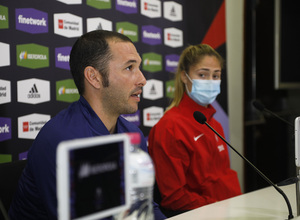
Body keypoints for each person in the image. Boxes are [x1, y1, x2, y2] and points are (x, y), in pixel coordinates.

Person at [9, 30, 166, 220]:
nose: (142, 79)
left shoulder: (133, 134)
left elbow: (143, 206)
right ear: (94, 77)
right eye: (129, 68)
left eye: (138, 67)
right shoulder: (61, 140)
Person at [148, 44, 242, 217]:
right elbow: (174, 197)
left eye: (216, 75)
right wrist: (219, 208)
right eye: (202, 74)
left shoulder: (215, 124)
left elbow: (221, 179)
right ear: (185, 76)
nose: (210, 81)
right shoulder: (170, 127)